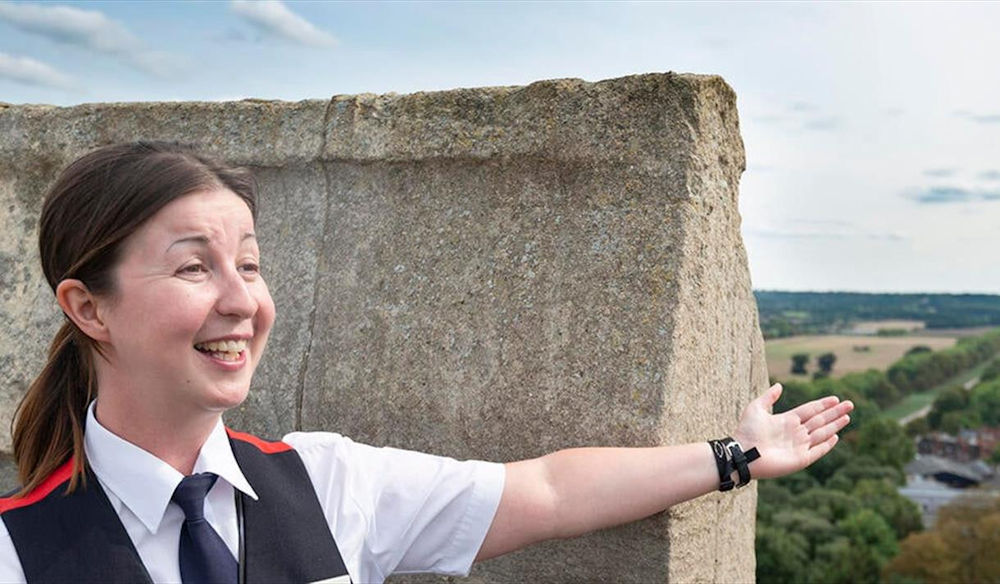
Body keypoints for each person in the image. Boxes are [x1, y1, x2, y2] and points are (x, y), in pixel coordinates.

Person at [0, 142, 853, 583]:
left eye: (251, 265)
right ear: (88, 307)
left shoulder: (326, 485)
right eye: (195, 267)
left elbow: (547, 491)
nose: (242, 301)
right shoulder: (15, 553)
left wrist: (735, 456)